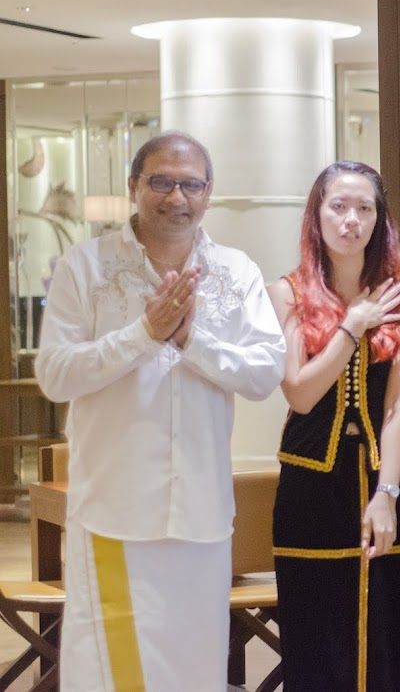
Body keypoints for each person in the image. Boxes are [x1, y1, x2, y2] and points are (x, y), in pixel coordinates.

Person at [36, 131, 286, 690]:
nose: (177, 197)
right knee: (111, 676)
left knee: (195, 671)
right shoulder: (86, 266)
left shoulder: (235, 271)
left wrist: (191, 341)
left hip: (200, 516)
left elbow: (265, 372)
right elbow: (55, 374)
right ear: (134, 187)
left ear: (209, 192)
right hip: (114, 515)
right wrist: (143, 335)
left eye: (191, 185)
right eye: (162, 182)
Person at [268, 161, 400, 691]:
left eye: (364, 208)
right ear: (317, 215)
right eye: (338, 206)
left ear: (380, 219)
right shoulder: (288, 292)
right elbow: (300, 392)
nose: (351, 220)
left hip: (383, 482)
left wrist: (388, 493)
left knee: (385, 638)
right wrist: (352, 327)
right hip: (309, 484)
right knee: (316, 640)